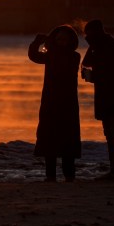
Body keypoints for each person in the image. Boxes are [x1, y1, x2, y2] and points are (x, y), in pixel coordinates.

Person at [81, 19, 114, 181]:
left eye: (88, 34)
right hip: (110, 97)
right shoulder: (102, 45)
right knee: (111, 134)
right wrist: (92, 44)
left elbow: (111, 73)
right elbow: (87, 62)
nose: (87, 37)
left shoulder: (109, 46)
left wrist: (93, 76)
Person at [28, 25, 82, 182]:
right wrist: (38, 41)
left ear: (71, 41)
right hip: (50, 102)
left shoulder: (73, 56)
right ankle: (50, 175)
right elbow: (33, 56)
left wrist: (41, 42)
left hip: (67, 103)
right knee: (49, 138)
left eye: (64, 40)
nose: (61, 42)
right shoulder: (52, 55)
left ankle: (69, 175)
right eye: (58, 39)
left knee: (67, 139)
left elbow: (36, 56)